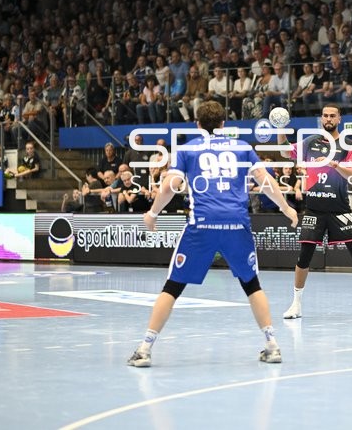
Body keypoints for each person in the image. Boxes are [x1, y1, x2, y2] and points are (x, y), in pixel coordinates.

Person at [127, 101, 299, 368]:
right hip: (236, 224)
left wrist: (152, 213)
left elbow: (171, 185)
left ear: (197, 124)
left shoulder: (187, 150)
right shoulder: (242, 147)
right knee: (252, 284)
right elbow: (265, 180)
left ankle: (144, 349)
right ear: (224, 124)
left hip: (202, 225)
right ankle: (272, 345)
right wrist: (286, 208)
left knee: (172, 286)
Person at [278, 105, 352, 320]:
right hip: (314, 209)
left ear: (339, 119)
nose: (328, 119)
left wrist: (334, 164)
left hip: (339, 209)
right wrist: (280, 128)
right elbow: (284, 151)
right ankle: (296, 305)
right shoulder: (310, 142)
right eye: (325, 116)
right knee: (304, 257)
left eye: (332, 116)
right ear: (321, 119)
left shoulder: (348, 146)